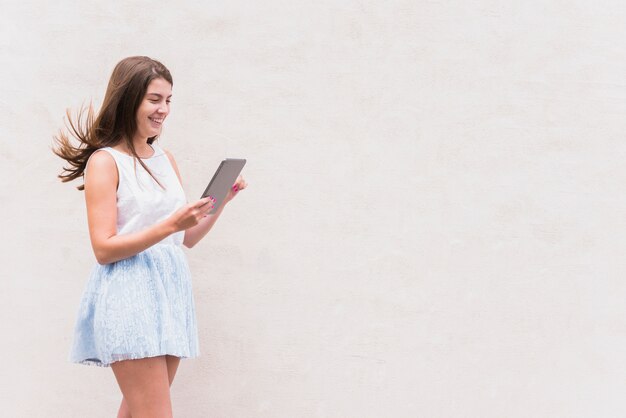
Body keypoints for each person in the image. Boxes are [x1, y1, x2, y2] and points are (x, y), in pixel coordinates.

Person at [53, 56, 247, 418]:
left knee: (136, 413)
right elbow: (103, 248)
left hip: (170, 293)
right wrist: (171, 226)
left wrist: (221, 203)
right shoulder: (105, 161)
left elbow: (184, 239)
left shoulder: (164, 157)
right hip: (129, 294)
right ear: (129, 100)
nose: (164, 110)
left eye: (169, 100)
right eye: (155, 99)